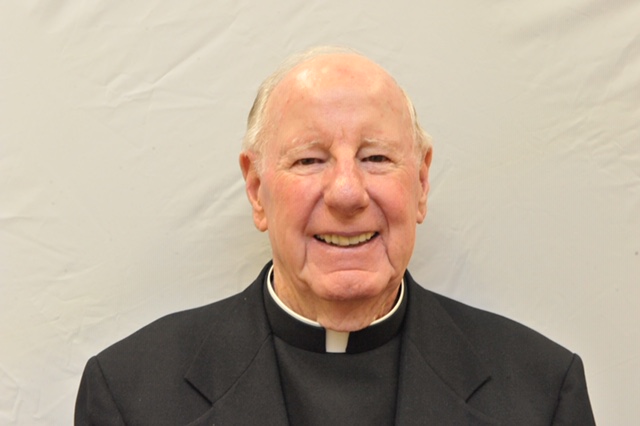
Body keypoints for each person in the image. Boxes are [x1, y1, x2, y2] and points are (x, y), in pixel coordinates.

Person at [75, 46, 595, 425]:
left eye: (376, 157)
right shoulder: (129, 394)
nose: (347, 193)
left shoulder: (542, 390)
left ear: (420, 183)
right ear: (256, 190)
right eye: (309, 160)